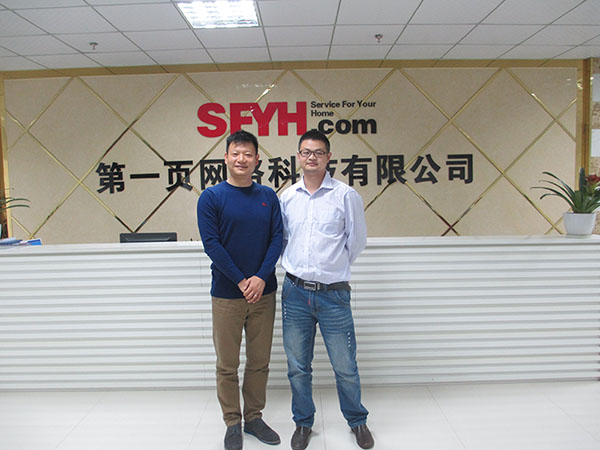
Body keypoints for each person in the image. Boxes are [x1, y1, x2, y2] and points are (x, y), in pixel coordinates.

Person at [279, 129, 374, 450]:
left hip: (334, 294)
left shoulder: (346, 195)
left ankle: (357, 420)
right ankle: (303, 422)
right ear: (298, 156)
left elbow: (356, 241)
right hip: (295, 293)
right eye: (306, 152)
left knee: (345, 366)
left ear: (328, 157)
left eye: (318, 152)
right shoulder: (287, 198)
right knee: (297, 366)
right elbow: (283, 240)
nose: (312, 157)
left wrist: (331, 269)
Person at [197, 130, 283, 450]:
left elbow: (277, 239)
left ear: (257, 160)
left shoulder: (268, 196)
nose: (241, 159)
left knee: (259, 361)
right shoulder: (211, 197)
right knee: (227, 364)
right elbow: (212, 245)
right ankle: (232, 422)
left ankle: (254, 418)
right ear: (226, 158)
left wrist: (260, 278)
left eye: (248, 154)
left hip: (264, 293)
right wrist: (241, 281)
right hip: (227, 295)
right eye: (236, 153)